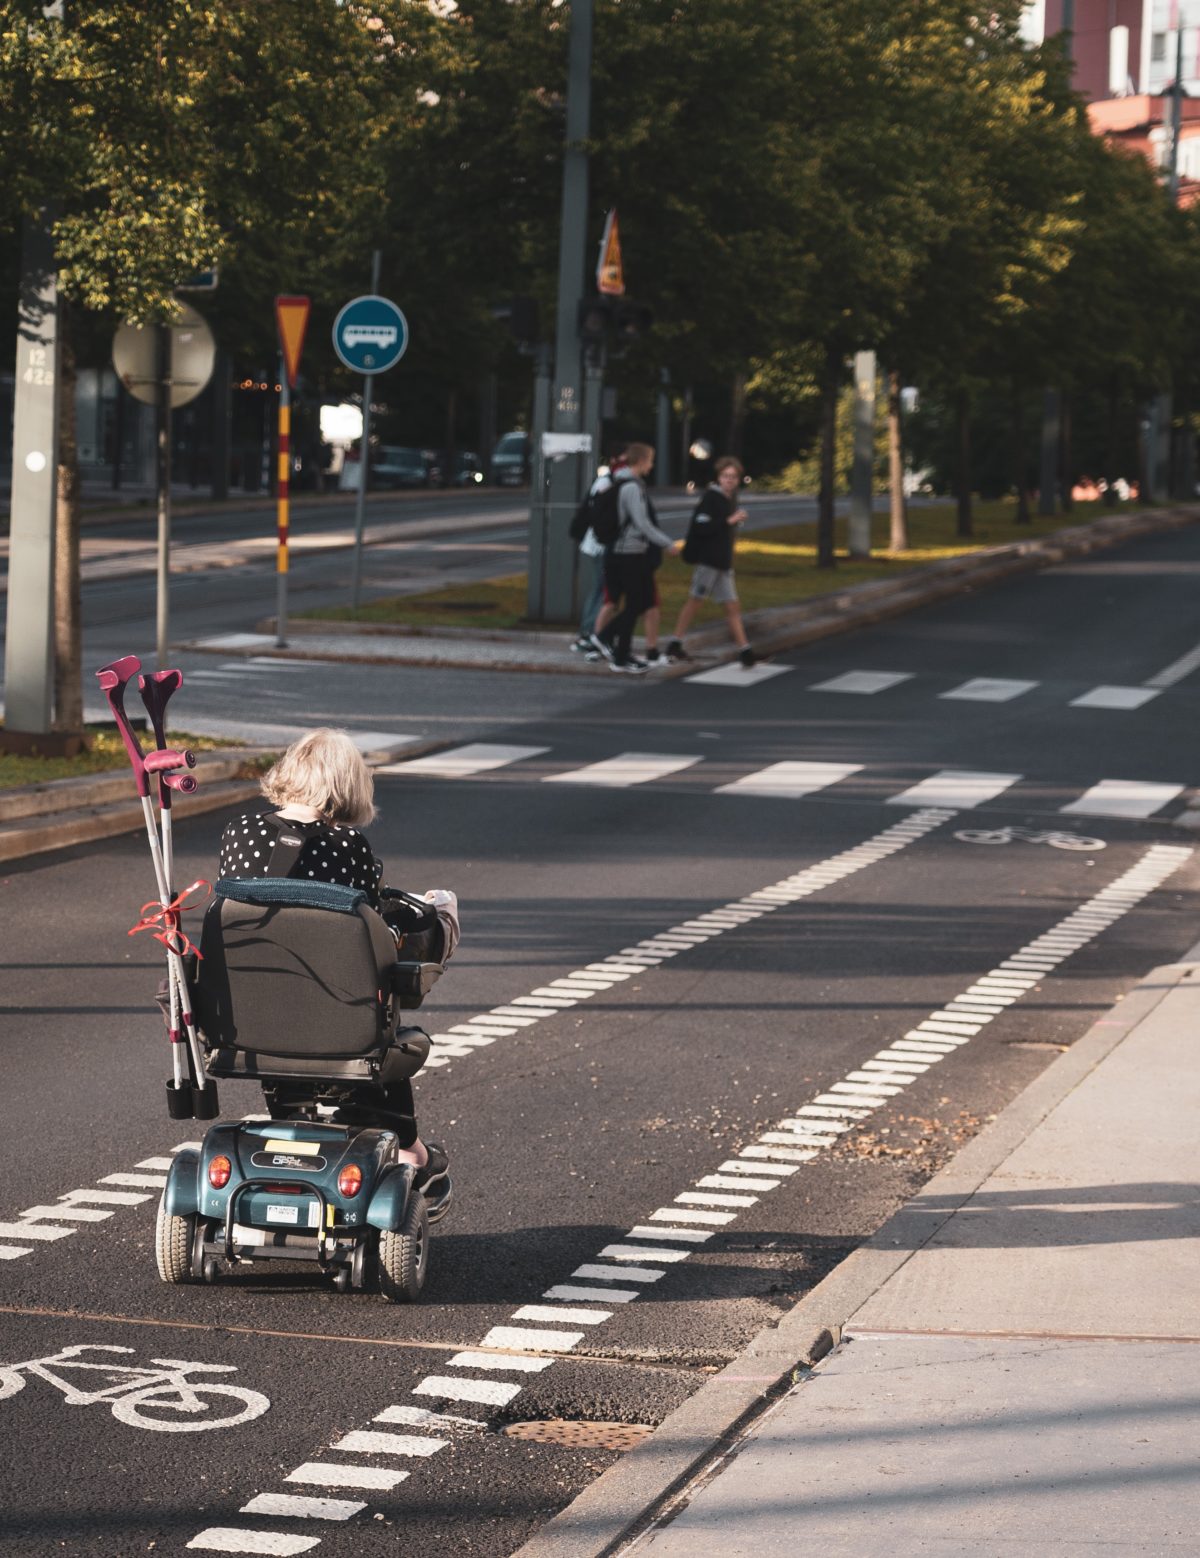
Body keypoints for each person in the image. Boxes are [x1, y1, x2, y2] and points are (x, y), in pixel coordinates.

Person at [217, 728, 455, 1200]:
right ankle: (412, 1154)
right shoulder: (347, 845)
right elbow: (370, 923)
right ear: (347, 785)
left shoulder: (239, 831)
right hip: (334, 1015)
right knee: (383, 1035)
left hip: (251, 1014)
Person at [591, 442, 682, 672]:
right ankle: (605, 638)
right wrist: (667, 543)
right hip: (628, 554)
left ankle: (621, 656)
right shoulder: (631, 487)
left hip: (626, 553)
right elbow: (642, 523)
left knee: (638, 603)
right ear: (641, 461)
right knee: (637, 603)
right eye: (650, 461)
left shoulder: (624, 482)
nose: (651, 465)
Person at [665, 455, 756, 667]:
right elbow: (701, 527)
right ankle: (674, 643)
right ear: (719, 477)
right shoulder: (711, 499)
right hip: (709, 561)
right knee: (695, 600)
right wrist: (728, 521)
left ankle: (746, 651)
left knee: (732, 606)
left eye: (733, 477)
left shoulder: (728, 499)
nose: (729, 480)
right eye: (725, 476)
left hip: (722, 563)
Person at [570, 453, 626, 660]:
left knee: (601, 590)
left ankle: (591, 632)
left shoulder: (609, 481)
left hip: (599, 543)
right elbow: (597, 512)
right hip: (600, 545)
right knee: (602, 591)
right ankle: (590, 633)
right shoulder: (606, 482)